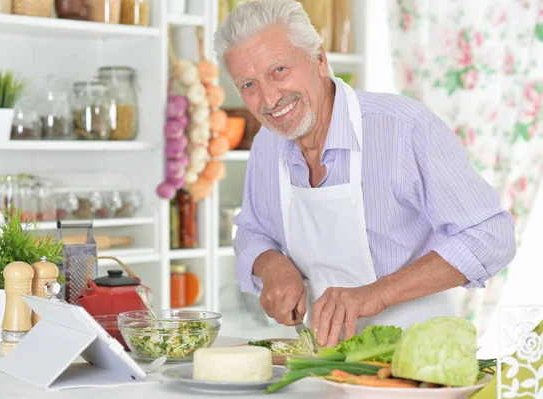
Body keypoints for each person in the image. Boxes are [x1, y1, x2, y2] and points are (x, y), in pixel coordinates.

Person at [213, 0, 517, 347]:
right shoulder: (269, 144)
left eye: (279, 69)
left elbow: (492, 235)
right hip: (328, 358)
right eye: (248, 85)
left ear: (319, 59)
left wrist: (376, 295)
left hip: (419, 353)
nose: (268, 98)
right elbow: (253, 231)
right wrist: (272, 267)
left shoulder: (404, 129)